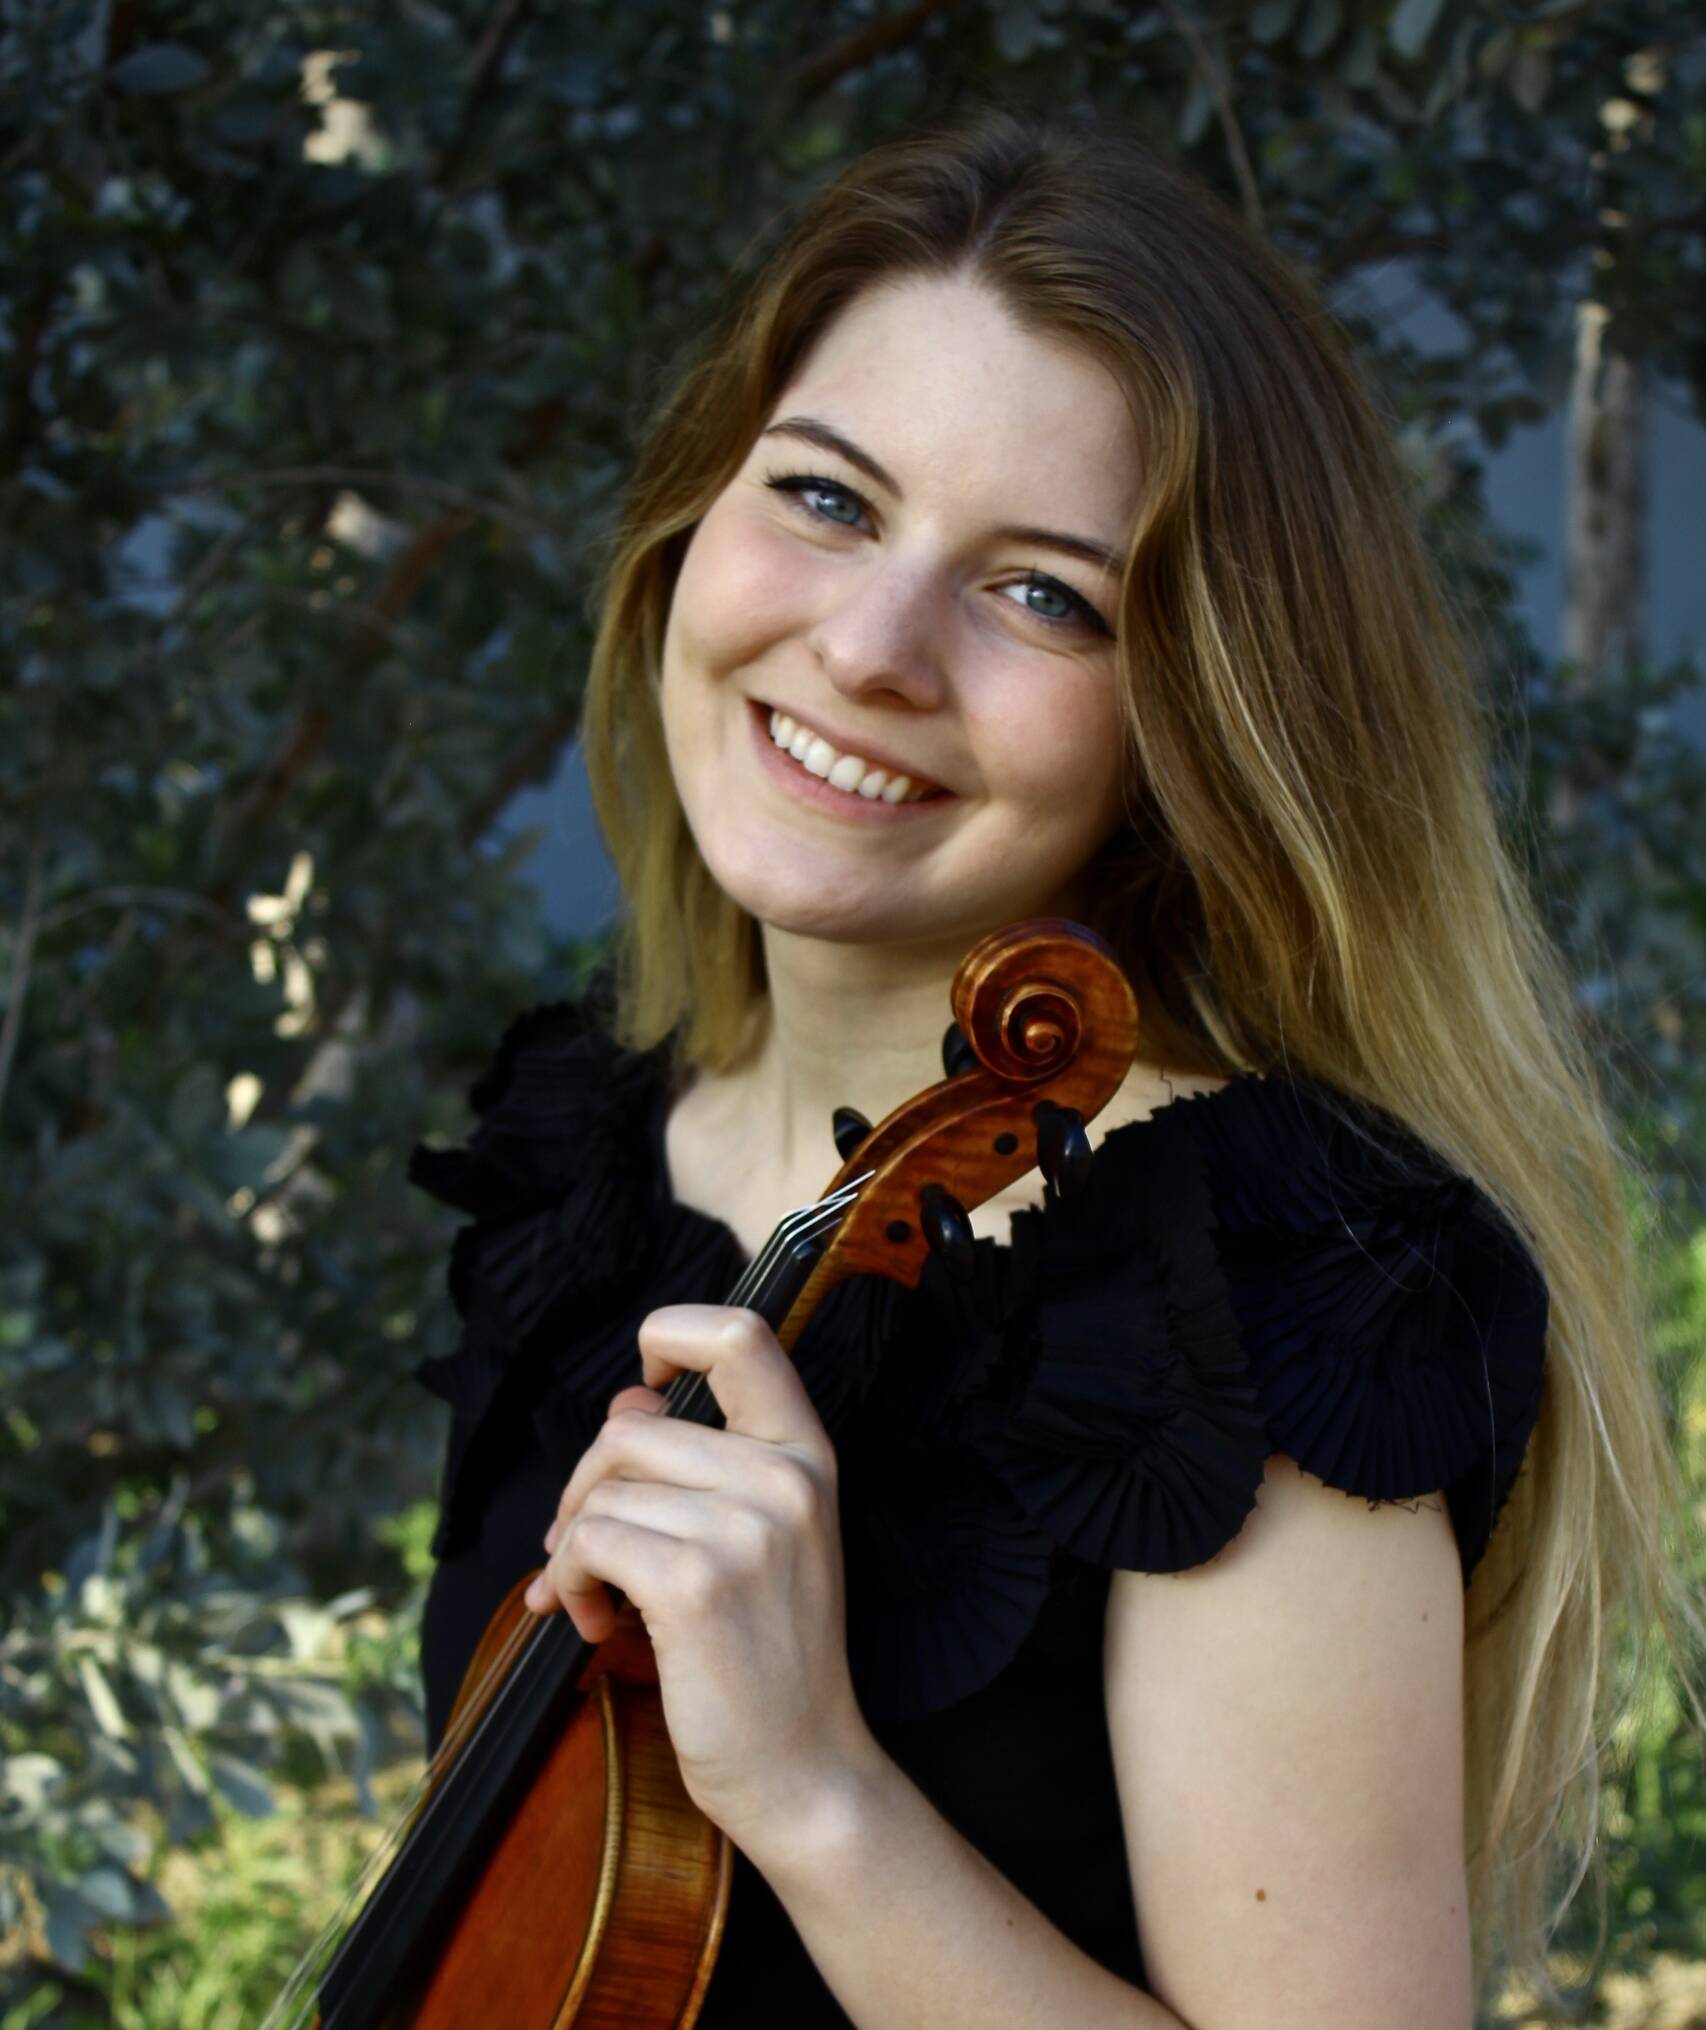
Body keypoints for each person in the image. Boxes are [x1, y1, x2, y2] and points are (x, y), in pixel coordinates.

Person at [407, 106, 1701, 2027]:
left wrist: (813, 1791)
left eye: (1042, 595)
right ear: (696, 512)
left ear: (1193, 714)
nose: (867, 646)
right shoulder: (600, 1157)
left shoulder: (1250, 1299)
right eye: (827, 498)